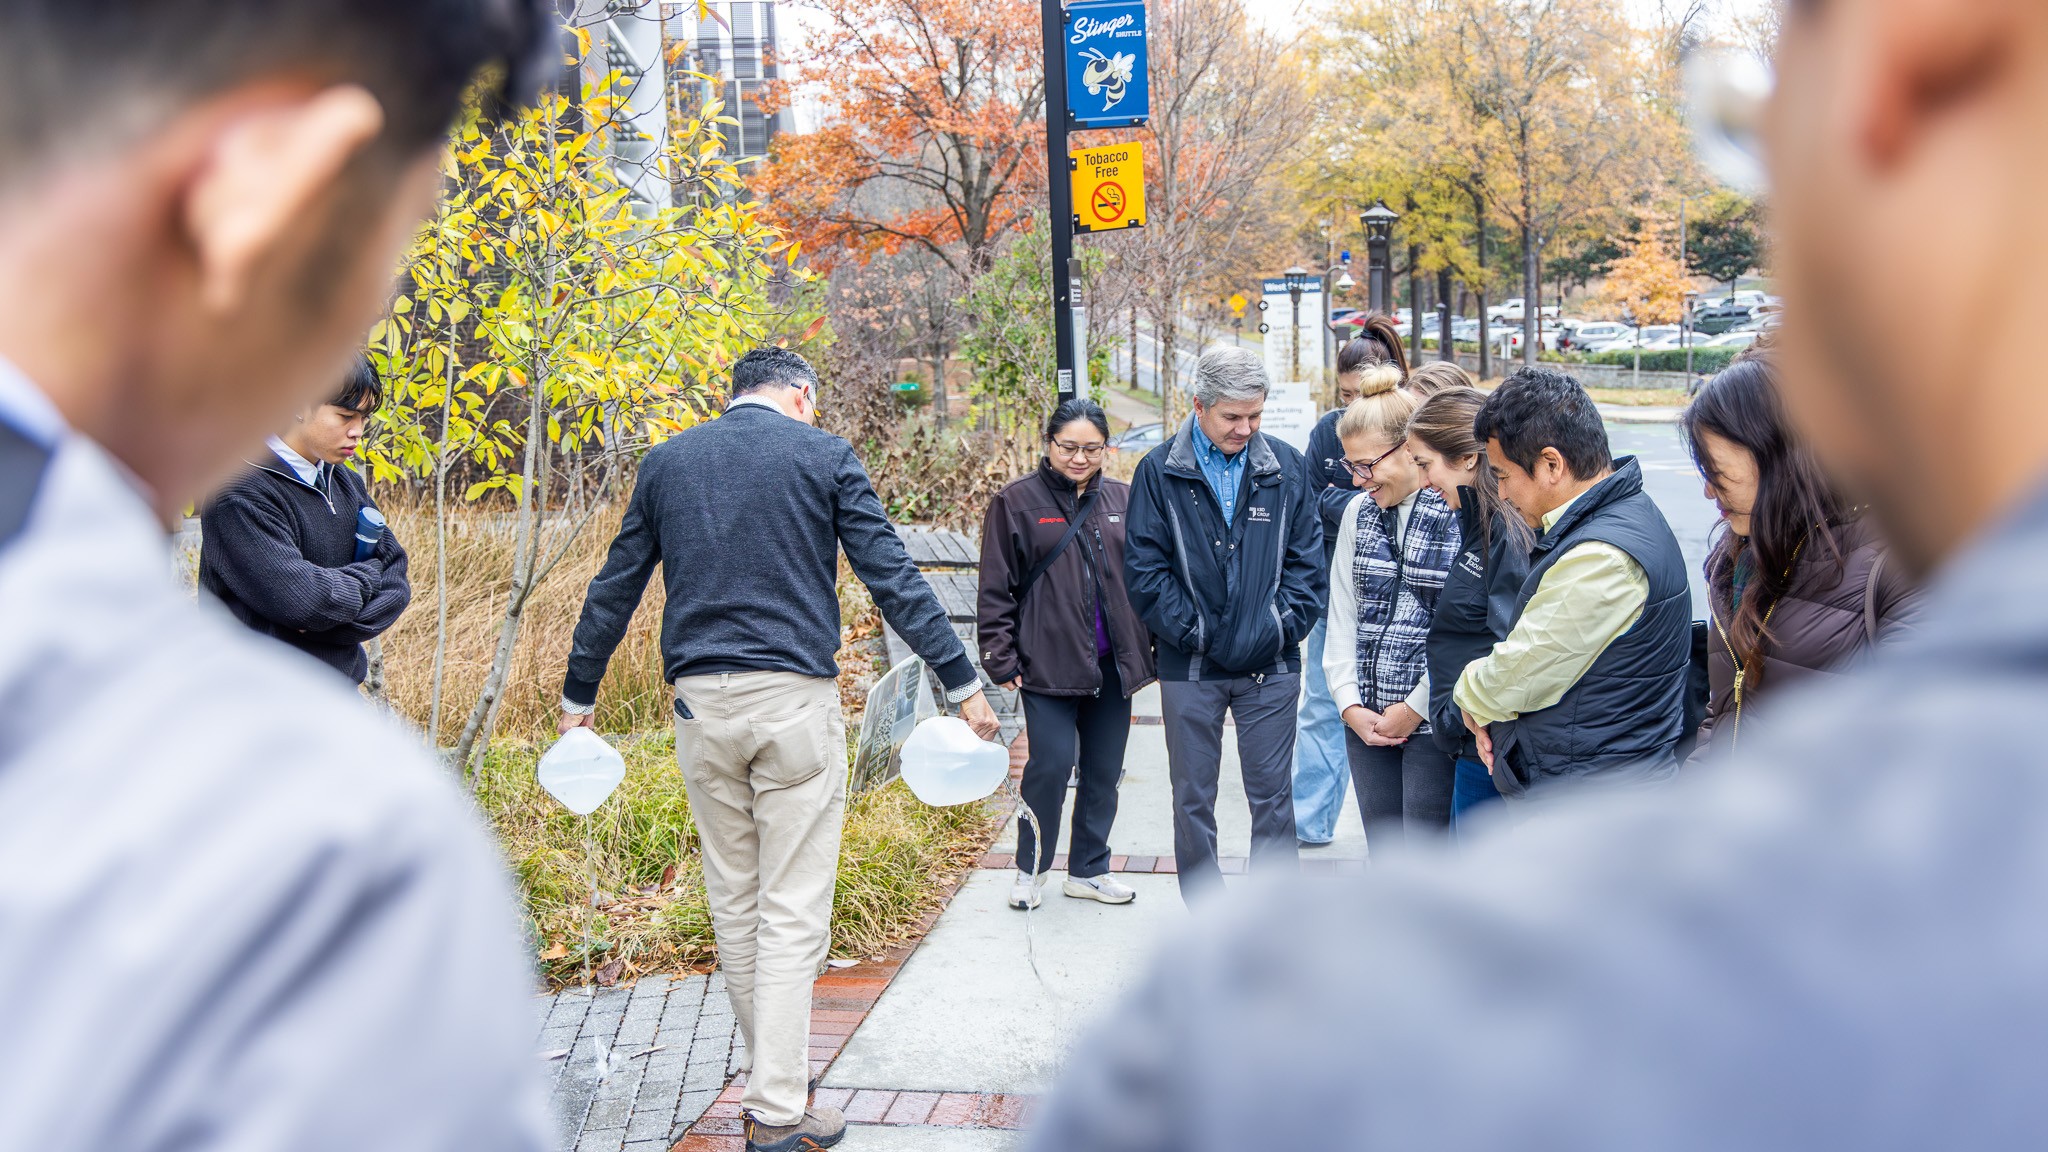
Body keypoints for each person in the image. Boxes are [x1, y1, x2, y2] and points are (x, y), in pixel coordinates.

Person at [1032, 0, 2048, 1144]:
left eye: (1751, 121)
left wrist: (1377, 677)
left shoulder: (1250, 1060)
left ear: (1907, 71)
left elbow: (1490, 645)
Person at [0, 2, 556, 1148]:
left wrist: (353, 594)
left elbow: (379, 576)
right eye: (397, 244)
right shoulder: (317, 850)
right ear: (269, 189)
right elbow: (320, 592)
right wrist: (355, 598)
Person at [558, 346, 1000, 1151]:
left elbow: (615, 585)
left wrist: (578, 696)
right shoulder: (823, 455)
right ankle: (776, 1108)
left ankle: (777, 1088)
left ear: (735, 394)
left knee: (736, 900)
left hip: (700, 707)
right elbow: (891, 575)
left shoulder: (668, 463)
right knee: (792, 909)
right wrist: (962, 680)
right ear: (801, 395)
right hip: (792, 703)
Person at [1124, 345, 1323, 901]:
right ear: (1199, 405)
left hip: (1271, 665)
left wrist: (1272, 629)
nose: (1245, 428)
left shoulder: (1286, 467)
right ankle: (1207, 918)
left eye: (1254, 415)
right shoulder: (1158, 471)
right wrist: (1201, 634)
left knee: (1273, 797)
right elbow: (1144, 572)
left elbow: (1308, 568)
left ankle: (1272, 916)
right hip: (1189, 662)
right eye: (1232, 416)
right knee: (1192, 797)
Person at [1454, 367, 1692, 796]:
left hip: (1593, 801)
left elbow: (1513, 677)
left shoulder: (1601, 557)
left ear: (1551, 464)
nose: (1502, 494)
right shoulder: (1624, 515)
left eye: (1503, 475)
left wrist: (1468, 691)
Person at [1681, 351, 1921, 755]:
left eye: (1717, 473)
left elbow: (1916, 740)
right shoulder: (1735, 560)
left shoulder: (1895, 563)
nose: (1708, 491)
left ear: (1777, 457)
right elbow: (1725, 710)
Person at [978, 399, 1157, 911]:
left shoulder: (1124, 498)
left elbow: (1146, 577)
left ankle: (1089, 870)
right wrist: (999, 657)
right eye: (1069, 448)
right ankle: (1030, 869)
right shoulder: (1016, 502)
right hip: (1048, 663)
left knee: (1104, 772)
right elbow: (995, 588)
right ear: (1049, 444)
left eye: (1092, 449)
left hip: (1112, 666)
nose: (1080, 458)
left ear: (1106, 449)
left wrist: (1153, 645)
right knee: (1050, 767)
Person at [200, 356, 410, 685]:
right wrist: (368, 576)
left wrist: (325, 623)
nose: (357, 431)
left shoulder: (345, 481)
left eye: (364, 418)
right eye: (345, 416)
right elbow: (306, 603)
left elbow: (396, 581)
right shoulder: (237, 492)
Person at [1323, 378, 1461, 843]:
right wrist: (1348, 703)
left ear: (1409, 449)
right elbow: (1343, 613)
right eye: (1351, 466)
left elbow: (1463, 630)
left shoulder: (1453, 510)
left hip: (1432, 719)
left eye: (1367, 465)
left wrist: (1415, 707)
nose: (1357, 480)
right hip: (1366, 718)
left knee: (1426, 859)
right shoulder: (1357, 513)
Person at [1294, 317, 1408, 845]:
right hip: (1336, 586)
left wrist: (1345, 501)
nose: (1352, 407)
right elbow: (1310, 499)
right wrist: (1364, 502)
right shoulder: (1328, 431)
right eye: (1343, 396)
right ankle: (1310, 820)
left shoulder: (1410, 425)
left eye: (1361, 394)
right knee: (1324, 702)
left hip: (1400, 597)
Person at [1407, 381, 1531, 833]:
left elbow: (1510, 648)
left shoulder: (1507, 534)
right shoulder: (1481, 523)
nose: (1424, 482)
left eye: (1425, 465)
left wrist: (1459, 714)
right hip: (1471, 737)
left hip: (1488, 747)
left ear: (1467, 458)